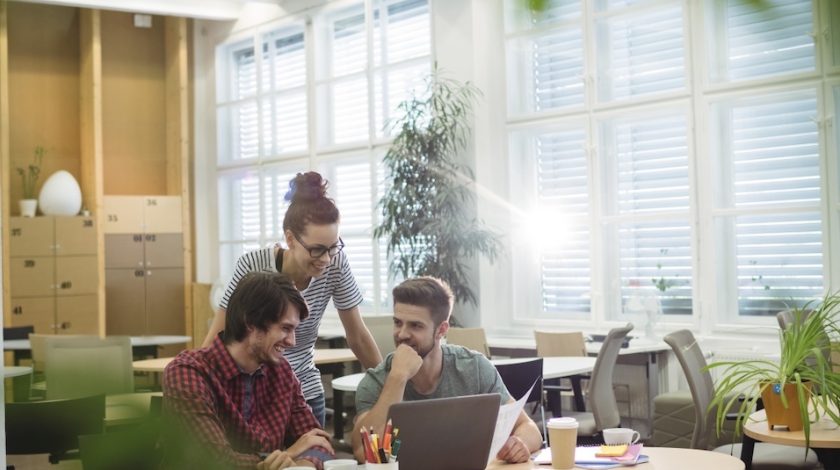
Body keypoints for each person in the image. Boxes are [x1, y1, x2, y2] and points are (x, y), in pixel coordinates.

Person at [202, 172, 382, 426]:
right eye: (316, 249)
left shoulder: (336, 264)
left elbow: (358, 336)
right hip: (252, 394)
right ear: (290, 239)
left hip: (304, 391)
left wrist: (387, 383)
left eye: (333, 247)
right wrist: (199, 386)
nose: (326, 259)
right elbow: (219, 335)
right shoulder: (253, 265)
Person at [351, 277, 542, 464]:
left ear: (441, 330)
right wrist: (398, 377)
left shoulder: (474, 368)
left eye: (415, 326)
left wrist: (520, 443)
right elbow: (362, 453)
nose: (402, 334)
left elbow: (529, 427)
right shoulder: (376, 381)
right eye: (398, 323)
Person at [164, 271, 334, 470]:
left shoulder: (281, 372)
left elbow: (319, 444)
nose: (292, 341)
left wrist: (300, 465)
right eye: (285, 328)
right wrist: (288, 454)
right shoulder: (188, 373)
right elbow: (216, 462)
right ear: (250, 323)